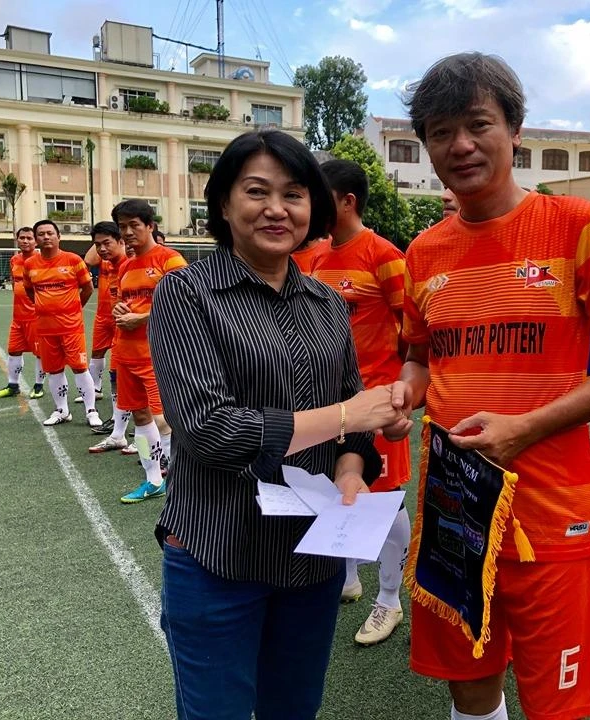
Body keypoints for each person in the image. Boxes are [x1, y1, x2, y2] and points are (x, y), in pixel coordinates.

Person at [382, 52, 590, 720]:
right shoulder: (423, 252)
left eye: (478, 124)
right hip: (454, 507)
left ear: (515, 130)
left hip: (550, 510)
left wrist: (525, 429)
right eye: (441, 132)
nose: (460, 145)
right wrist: (404, 393)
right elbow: (421, 360)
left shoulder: (575, 226)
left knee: (560, 704)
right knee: (470, 686)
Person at [147, 129, 403, 720]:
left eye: (293, 194)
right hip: (217, 552)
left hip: (311, 559)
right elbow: (208, 428)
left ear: (313, 206)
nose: (276, 209)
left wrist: (351, 467)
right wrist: (348, 415)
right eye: (256, 191)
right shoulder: (187, 294)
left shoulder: (326, 303)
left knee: (294, 708)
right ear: (223, 203)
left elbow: (352, 425)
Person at [313, 158, 412, 646]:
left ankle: (389, 600)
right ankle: (348, 579)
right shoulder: (315, 256)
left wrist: (397, 393)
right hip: (329, 404)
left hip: (376, 402)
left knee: (385, 500)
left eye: (319, 194)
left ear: (347, 201)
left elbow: (413, 331)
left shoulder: (385, 255)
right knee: (338, 489)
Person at [112, 200, 188, 503]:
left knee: (163, 419)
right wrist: (120, 309)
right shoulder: (125, 266)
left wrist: (141, 318)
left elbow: (183, 304)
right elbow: (124, 302)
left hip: (157, 352)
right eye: (123, 227)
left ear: (150, 226)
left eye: (134, 225)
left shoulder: (170, 260)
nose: (128, 232)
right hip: (126, 352)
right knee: (140, 417)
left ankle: (179, 481)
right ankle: (153, 479)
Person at [22, 220, 102, 428]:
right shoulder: (30, 264)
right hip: (45, 329)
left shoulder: (73, 260)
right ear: (36, 239)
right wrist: (43, 307)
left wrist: (74, 308)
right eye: (41, 234)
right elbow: (29, 290)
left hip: (71, 327)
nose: (46, 237)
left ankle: (91, 410)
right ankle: (61, 410)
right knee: (54, 370)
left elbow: (87, 288)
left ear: (59, 237)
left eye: (50, 233)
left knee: (79, 368)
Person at [82, 222, 134, 453]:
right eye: (98, 244)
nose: (102, 249)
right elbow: (89, 259)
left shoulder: (131, 263)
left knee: (141, 387)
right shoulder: (105, 262)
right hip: (111, 320)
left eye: (107, 243)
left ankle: (150, 442)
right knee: (116, 375)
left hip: (133, 329)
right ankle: (119, 430)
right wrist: (102, 237)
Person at [0, 226, 46, 399]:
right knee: (14, 350)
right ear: (17, 239)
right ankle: (13, 386)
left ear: (36, 241)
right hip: (18, 317)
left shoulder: (42, 260)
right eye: (22, 238)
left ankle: (39, 385)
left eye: (29, 238)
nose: (25, 241)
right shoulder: (14, 260)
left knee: (40, 353)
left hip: (36, 317)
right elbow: (15, 283)